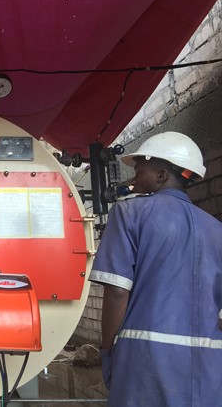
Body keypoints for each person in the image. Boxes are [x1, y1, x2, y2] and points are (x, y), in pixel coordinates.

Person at [89, 131, 222, 406]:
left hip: (145, 359)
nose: (133, 177)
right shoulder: (217, 228)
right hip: (210, 362)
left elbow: (116, 292)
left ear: (161, 175)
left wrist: (107, 349)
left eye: (140, 170)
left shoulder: (128, 214)